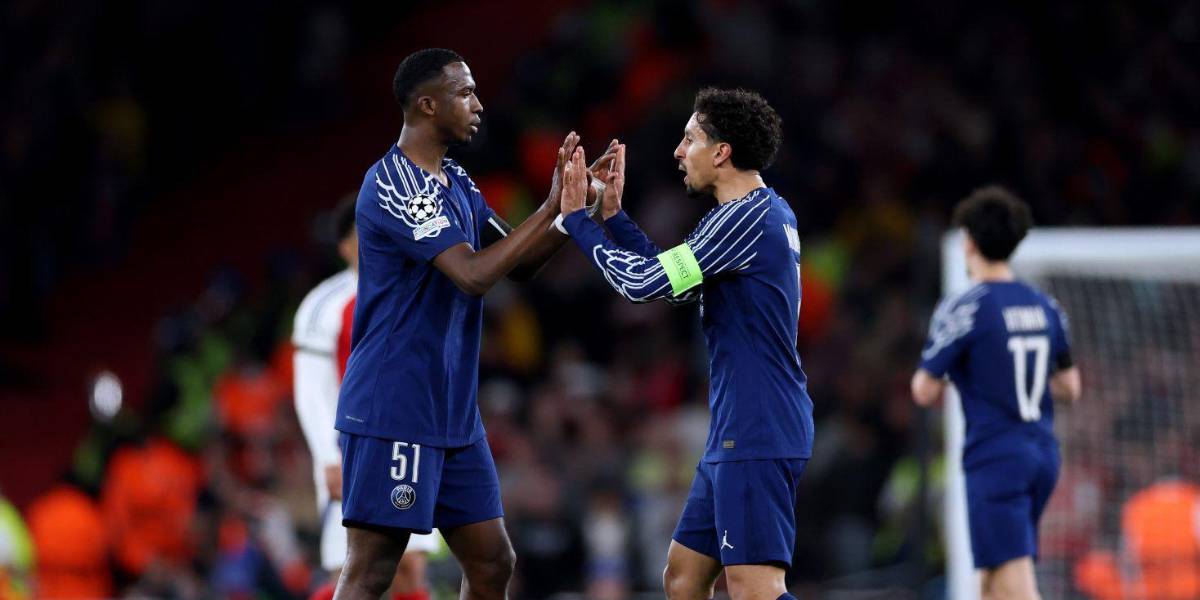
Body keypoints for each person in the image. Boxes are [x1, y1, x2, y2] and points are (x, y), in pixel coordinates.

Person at [332, 48, 612, 600]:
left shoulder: (456, 180)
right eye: (465, 93)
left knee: (492, 562)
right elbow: (473, 274)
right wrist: (550, 209)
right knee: (372, 572)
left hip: (453, 413)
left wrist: (570, 210)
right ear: (427, 105)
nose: (479, 104)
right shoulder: (394, 184)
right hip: (396, 407)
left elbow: (519, 263)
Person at [556, 87, 813, 600]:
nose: (678, 151)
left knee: (755, 589)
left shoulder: (748, 219)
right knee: (683, 576)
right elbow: (673, 283)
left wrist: (577, 222)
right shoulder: (750, 216)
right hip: (738, 426)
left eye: (690, 139)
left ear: (721, 152)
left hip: (758, 425)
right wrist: (613, 218)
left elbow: (641, 285)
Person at [911, 186, 1083, 600]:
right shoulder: (1044, 304)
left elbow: (923, 390)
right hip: (1042, 455)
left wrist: (975, 372)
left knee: (1015, 580)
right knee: (991, 581)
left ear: (969, 241)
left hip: (996, 458)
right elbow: (1070, 387)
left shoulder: (966, 307)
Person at [292, 196, 441, 600]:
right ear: (345, 246)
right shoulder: (322, 306)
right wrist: (328, 456)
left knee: (410, 566)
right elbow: (311, 389)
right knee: (350, 571)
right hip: (351, 450)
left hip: (408, 445)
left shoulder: (415, 289)